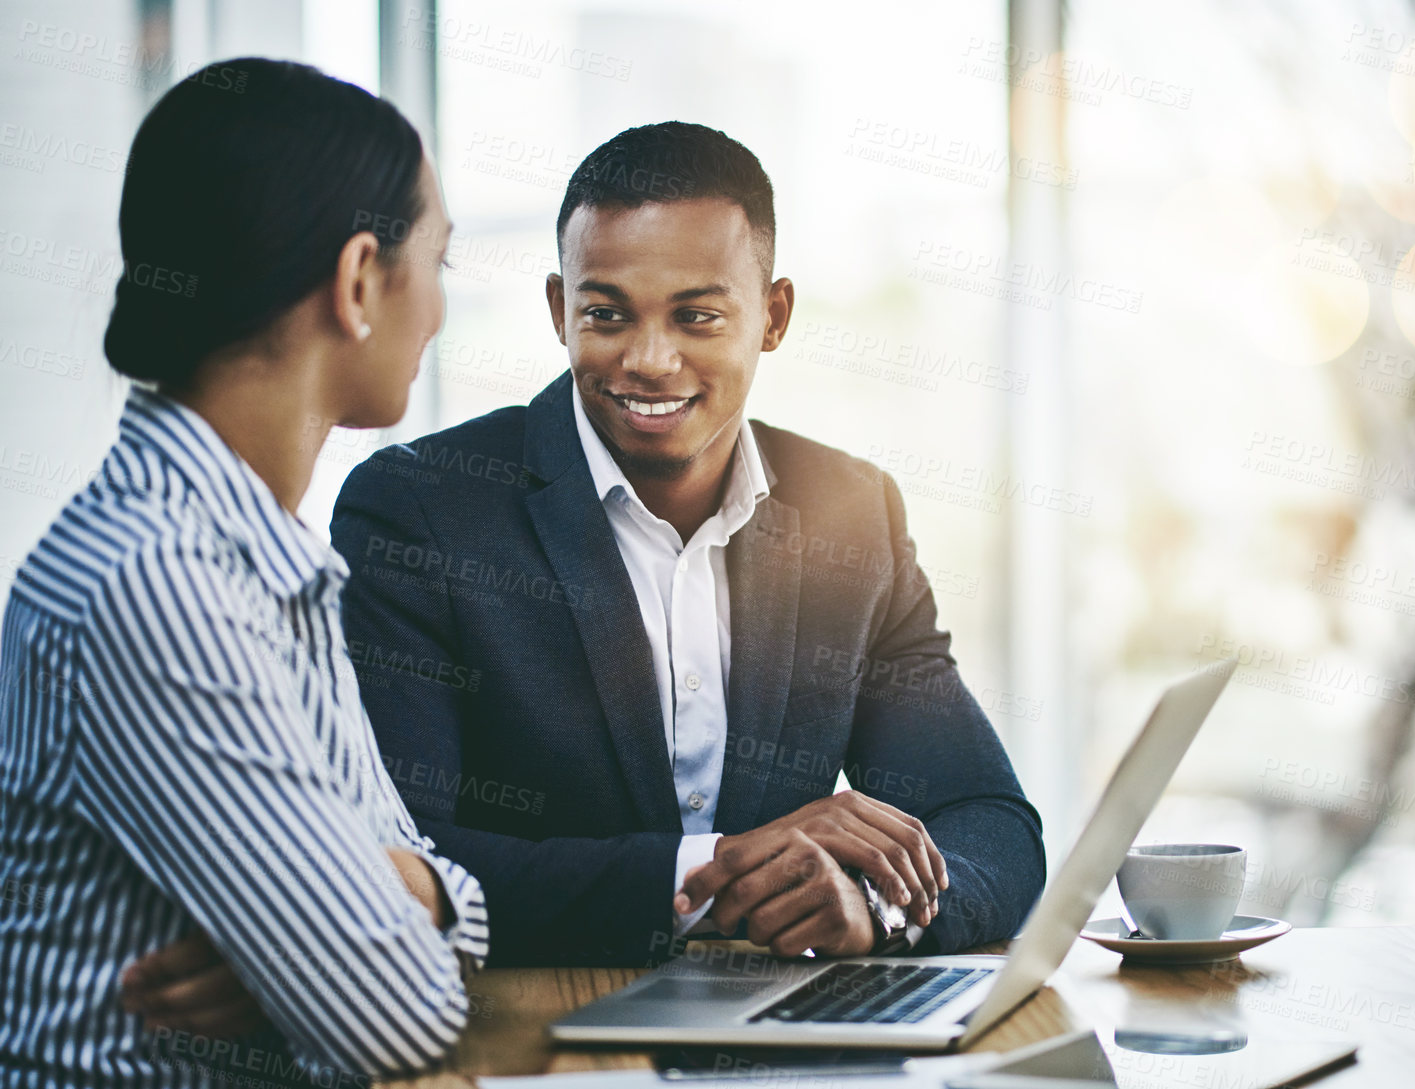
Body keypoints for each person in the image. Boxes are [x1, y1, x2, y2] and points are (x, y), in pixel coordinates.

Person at [331, 122, 1045, 966]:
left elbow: (990, 821)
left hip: (784, 1036)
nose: (650, 360)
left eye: (697, 316)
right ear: (560, 311)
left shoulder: (851, 514)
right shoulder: (420, 510)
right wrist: (722, 870)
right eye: (606, 314)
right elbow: (402, 861)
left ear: (773, 316)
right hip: (527, 1029)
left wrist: (871, 909)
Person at [0, 59, 488, 1087]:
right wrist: (348, 936)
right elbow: (398, 1013)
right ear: (359, 281)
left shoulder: (248, 555)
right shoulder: (164, 584)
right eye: (436, 263)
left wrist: (406, 902)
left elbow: (433, 893)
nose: (439, 309)